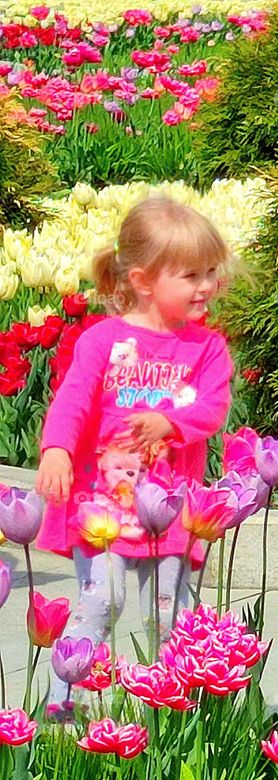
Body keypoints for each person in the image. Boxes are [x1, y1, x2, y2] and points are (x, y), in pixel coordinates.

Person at [35, 197, 235, 719]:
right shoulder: (103, 340)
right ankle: (62, 702)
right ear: (145, 281)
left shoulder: (207, 348)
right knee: (103, 599)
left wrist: (172, 424)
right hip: (102, 505)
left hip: (170, 507)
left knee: (169, 611)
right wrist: (56, 450)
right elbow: (73, 399)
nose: (207, 286)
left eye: (211, 272)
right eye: (191, 274)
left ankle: (171, 707)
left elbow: (213, 408)